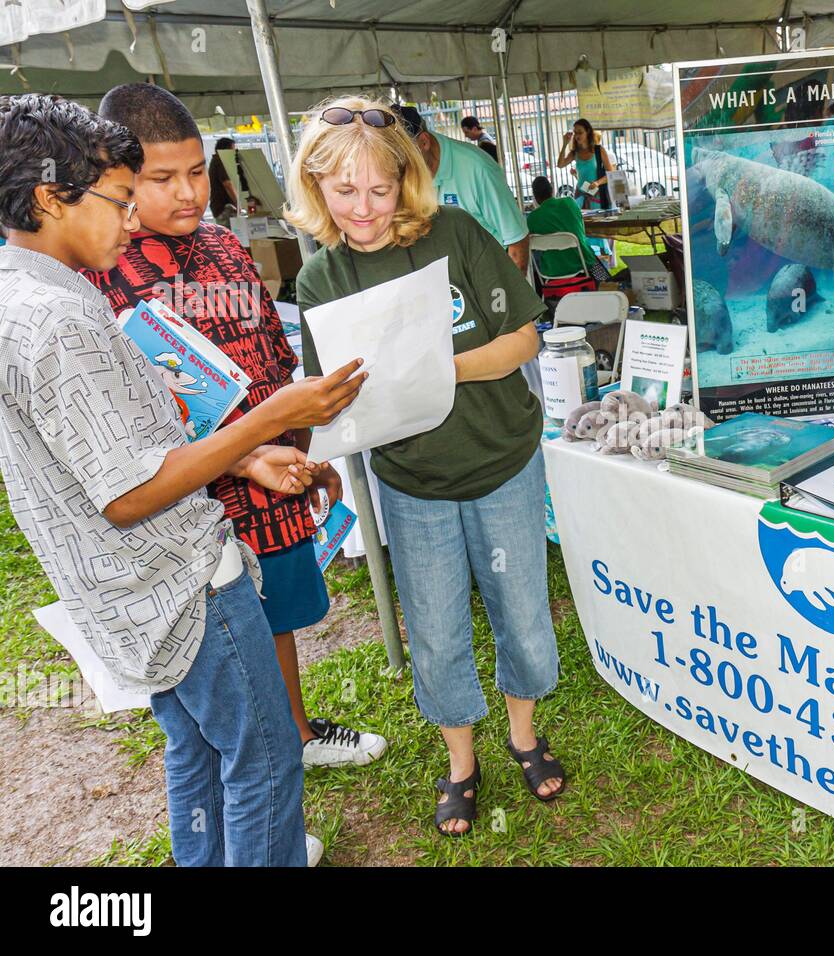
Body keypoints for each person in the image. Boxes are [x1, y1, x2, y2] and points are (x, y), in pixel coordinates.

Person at [0, 93, 367, 865]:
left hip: (131, 592)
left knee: (198, 750)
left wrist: (246, 452)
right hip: (179, 584)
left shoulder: (21, 296)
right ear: (48, 198)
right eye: (118, 199)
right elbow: (129, 491)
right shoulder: (62, 316)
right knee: (264, 758)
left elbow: (116, 443)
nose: (131, 219)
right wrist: (269, 422)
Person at [83, 83, 389, 776]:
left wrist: (310, 450)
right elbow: (138, 415)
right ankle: (253, 770)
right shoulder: (105, 268)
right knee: (220, 641)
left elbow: (272, 355)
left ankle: (297, 733)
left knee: (274, 617)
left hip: (275, 476)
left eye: (197, 172)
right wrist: (250, 449)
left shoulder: (224, 245)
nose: (188, 193)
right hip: (191, 498)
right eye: (162, 179)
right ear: (120, 177)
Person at [286, 96, 567, 836]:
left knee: (524, 615)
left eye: (380, 189)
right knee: (437, 631)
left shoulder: (458, 234)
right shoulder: (319, 281)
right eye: (344, 192)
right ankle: (461, 764)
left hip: (503, 462)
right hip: (413, 486)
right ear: (314, 189)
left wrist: (429, 366)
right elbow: (337, 406)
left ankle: (525, 736)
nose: (364, 208)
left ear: (406, 178)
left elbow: (522, 344)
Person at [397, 106, 529, 271]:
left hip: (488, 278)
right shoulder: (397, 177)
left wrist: (508, 294)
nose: (397, 167)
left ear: (424, 142)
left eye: (401, 156)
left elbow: (517, 243)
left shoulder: (477, 168)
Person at [526, 175, 611, 283]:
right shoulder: (570, 203)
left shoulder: (533, 218)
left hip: (552, 271)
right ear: (552, 190)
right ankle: (604, 284)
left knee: (533, 254)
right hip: (584, 264)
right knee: (588, 251)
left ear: (535, 197)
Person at [557, 118, 616, 211]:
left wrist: (597, 183)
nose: (577, 136)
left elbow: (610, 174)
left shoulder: (599, 150)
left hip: (597, 196)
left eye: (580, 132)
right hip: (580, 196)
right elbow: (560, 165)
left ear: (587, 132)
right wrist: (564, 144)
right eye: (575, 133)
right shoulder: (575, 153)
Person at [208, 135, 239, 220]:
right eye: (232, 149)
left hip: (218, 208)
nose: (234, 153)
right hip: (224, 208)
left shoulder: (215, 161)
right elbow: (227, 184)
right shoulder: (220, 161)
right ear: (226, 150)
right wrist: (238, 203)